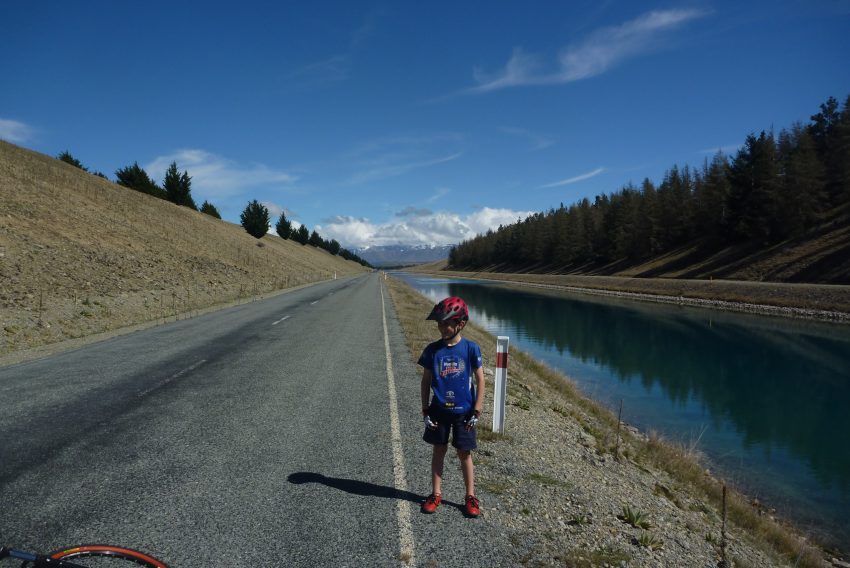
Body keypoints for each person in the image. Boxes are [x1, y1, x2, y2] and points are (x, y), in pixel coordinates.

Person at [418, 296, 485, 517]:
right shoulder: (432, 350)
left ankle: (470, 496)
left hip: (464, 413)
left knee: (464, 453)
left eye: (447, 323)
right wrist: (425, 409)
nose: (442, 327)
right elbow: (426, 381)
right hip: (438, 411)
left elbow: (481, 380)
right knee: (439, 450)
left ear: (461, 324)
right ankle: (436, 493)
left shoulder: (471, 349)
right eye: (439, 323)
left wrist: (477, 410)